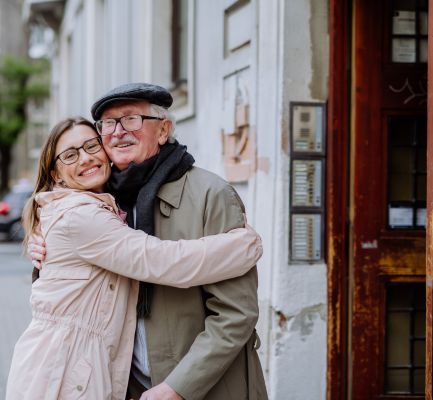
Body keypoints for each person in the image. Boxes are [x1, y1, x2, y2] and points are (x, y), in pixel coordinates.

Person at [28, 83, 268, 400]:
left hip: (206, 388)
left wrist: (178, 388)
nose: (117, 132)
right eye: (108, 124)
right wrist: (44, 251)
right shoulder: (97, 202)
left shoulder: (210, 194)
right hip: (128, 387)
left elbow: (237, 312)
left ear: (163, 130)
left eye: (131, 119)